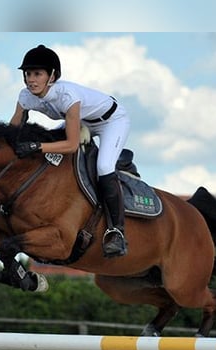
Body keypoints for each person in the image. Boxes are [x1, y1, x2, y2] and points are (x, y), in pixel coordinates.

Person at [10, 44, 130, 258]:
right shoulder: (25, 96)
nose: (31, 79)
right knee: (48, 141)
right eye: (28, 74)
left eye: (37, 74)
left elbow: (71, 144)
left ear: (52, 76)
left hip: (111, 120)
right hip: (79, 120)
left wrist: (37, 146)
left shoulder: (66, 96)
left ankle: (116, 231)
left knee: (103, 166)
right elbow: (12, 131)